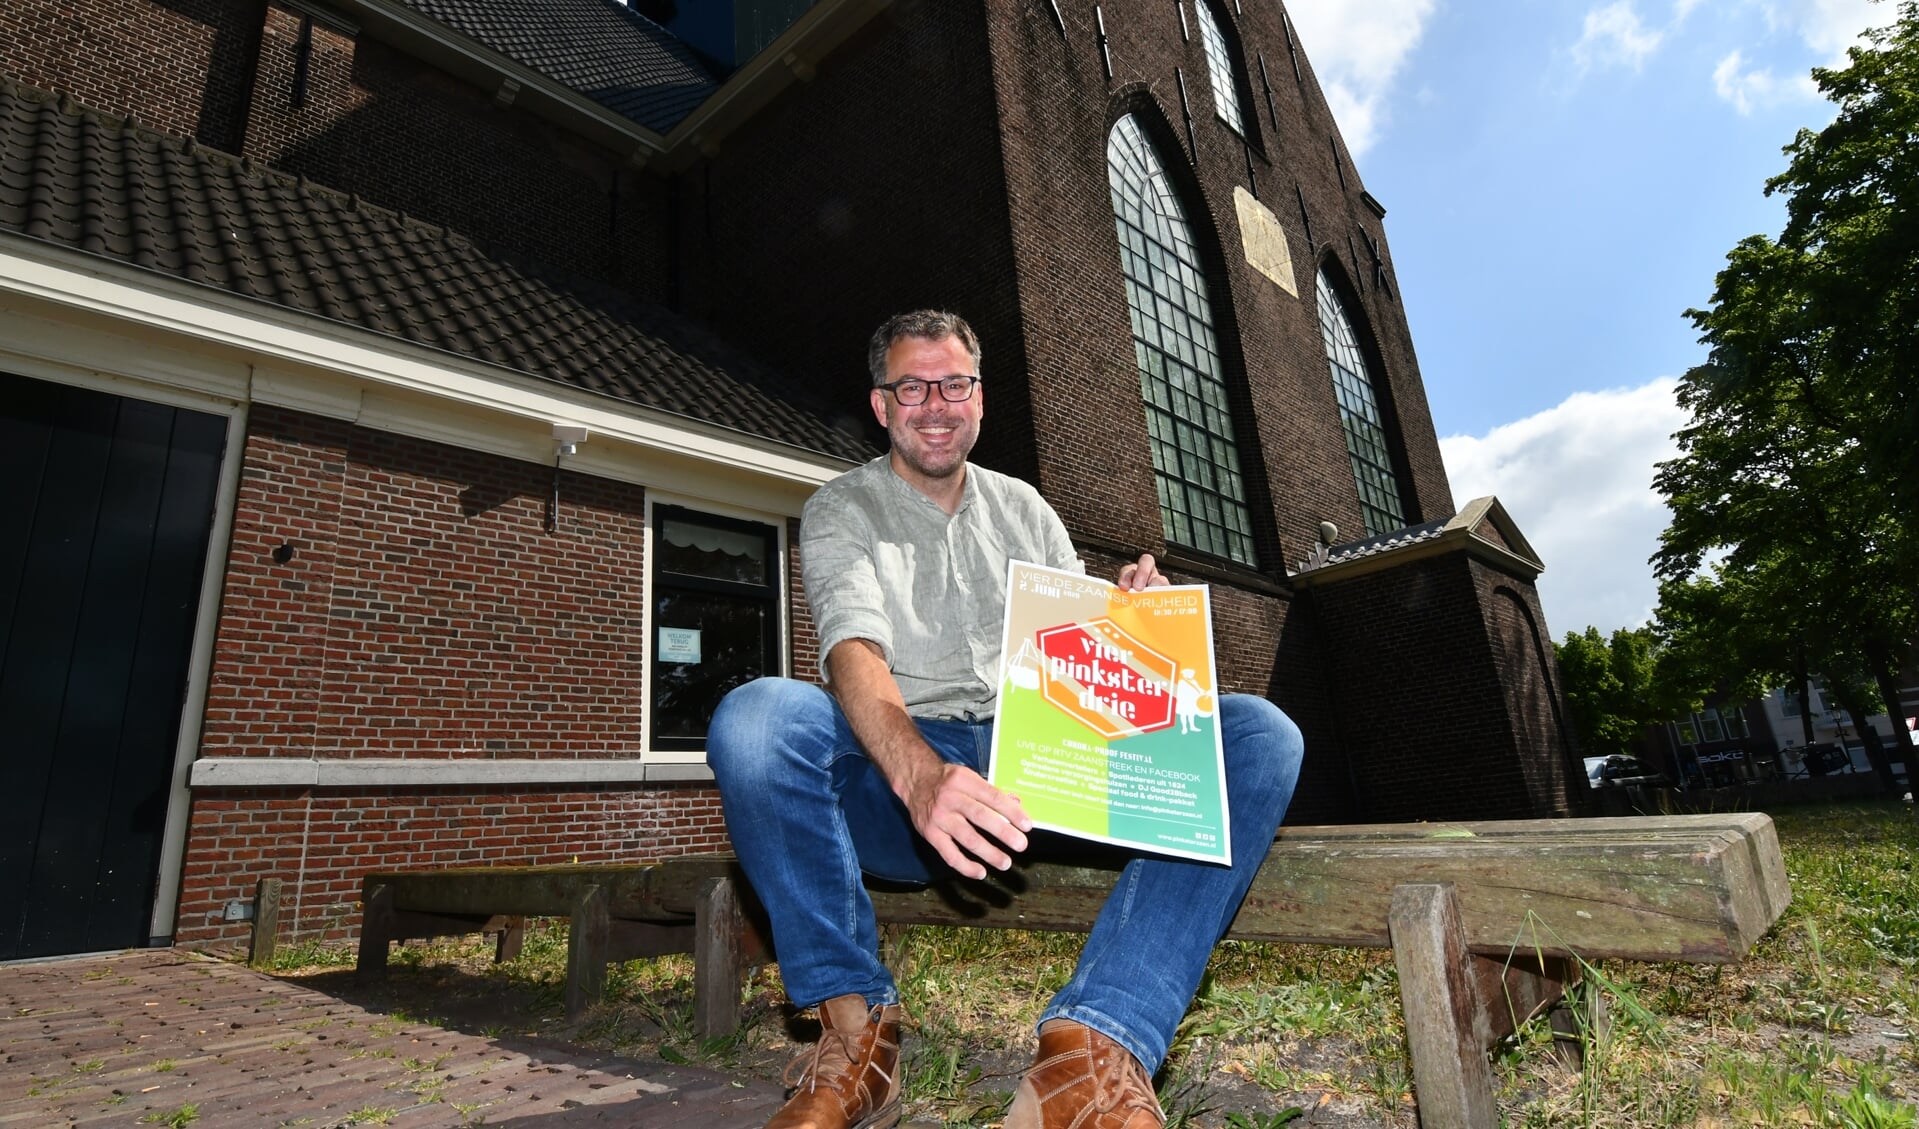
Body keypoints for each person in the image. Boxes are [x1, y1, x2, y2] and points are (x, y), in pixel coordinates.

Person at [706, 310, 1304, 1129]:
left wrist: (1130, 623)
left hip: (1040, 766)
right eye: (911, 386)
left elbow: (1077, 656)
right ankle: (858, 1036)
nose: (935, 403)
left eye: (953, 384)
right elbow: (852, 652)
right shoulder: (841, 507)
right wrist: (919, 777)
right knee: (757, 716)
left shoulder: (1027, 509)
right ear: (881, 405)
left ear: (979, 399)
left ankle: (1092, 1050)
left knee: (1259, 733)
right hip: (904, 773)